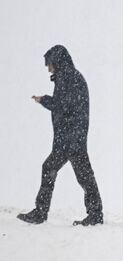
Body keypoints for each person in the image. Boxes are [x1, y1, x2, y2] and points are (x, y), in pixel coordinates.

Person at [17, 45, 103, 226]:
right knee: (81, 175)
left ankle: (42, 213)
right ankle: (95, 213)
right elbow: (67, 105)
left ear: (57, 62)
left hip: (70, 139)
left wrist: (45, 100)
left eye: (49, 64)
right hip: (73, 138)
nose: (48, 68)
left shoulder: (68, 77)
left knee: (55, 169)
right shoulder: (70, 77)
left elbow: (62, 105)